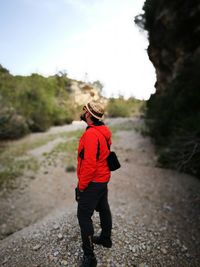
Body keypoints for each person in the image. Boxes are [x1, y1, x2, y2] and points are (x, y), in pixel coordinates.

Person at [76, 101, 112, 267]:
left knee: (83, 215)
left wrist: (81, 187)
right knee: (103, 207)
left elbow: (89, 165)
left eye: (84, 111)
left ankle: (89, 258)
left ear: (89, 115)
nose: (83, 113)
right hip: (103, 178)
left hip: (93, 181)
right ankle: (105, 239)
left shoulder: (91, 134)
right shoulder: (103, 130)